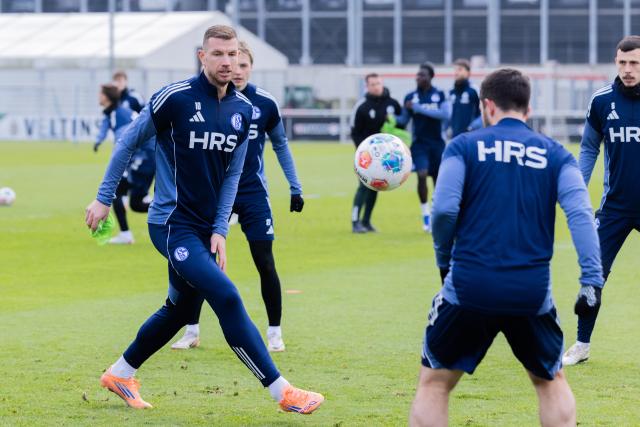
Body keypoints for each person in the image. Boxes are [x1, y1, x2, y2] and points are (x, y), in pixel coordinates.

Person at [84, 25, 323, 414]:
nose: (227, 62)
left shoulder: (244, 111)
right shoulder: (174, 99)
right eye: (218, 55)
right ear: (202, 56)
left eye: (232, 55)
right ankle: (283, 393)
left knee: (178, 310)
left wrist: (218, 229)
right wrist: (103, 198)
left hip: (202, 229)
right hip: (170, 224)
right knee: (226, 295)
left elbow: (233, 175)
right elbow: (128, 140)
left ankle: (120, 373)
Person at [409, 69, 603, 427]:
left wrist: (443, 259)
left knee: (435, 383)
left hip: (469, 286)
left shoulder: (463, 146)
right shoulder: (557, 155)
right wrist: (591, 281)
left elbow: (444, 211)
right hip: (530, 293)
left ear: (487, 106)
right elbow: (581, 214)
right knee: (550, 380)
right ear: (528, 109)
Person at [170, 41, 304, 353]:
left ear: (250, 68)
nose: (237, 70)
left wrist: (295, 186)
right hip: (216, 194)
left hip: (253, 194)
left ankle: (274, 333)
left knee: (265, 261)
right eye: (234, 63)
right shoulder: (214, 101)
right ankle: (191, 330)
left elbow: (281, 145)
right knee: (203, 262)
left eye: (243, 64)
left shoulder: (264, 104)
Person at [563, 35, 640, 366]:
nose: (627, 69)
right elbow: (590, 147)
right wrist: (578, 187)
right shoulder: (601, 101)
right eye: (622, 62)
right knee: (593, 274)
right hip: (615, 208)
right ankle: (582, 344)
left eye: (634, 62)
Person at [93, 83, 153, 244]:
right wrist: (98, 141)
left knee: (134, 202)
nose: (98, 96)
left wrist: (120, 167)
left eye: (100, 93)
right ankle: (125, 234)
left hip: (145, 157)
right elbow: (107, 128)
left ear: (106, 97)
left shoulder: (120, 115)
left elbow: (124, 143)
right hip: (144, 156)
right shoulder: (114, 112)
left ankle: (178, 209)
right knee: (127, 197)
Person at [397, 63, 451, 232]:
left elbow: (445, 114)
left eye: (422, 75)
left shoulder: (440, 95)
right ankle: (425, 214)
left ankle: (437, 216)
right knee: (421, 175)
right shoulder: (410, 97)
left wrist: (419, 109)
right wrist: (391, 119)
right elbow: (403, 121)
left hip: (437, 143)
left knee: (438, 181)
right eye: (417, 75)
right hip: (419, 144)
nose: (418, 78)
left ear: (430, 77)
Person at [349, 73, 402, 233]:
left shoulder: (393, 104)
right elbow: (354, 131)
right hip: (366, 157)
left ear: (382, 83)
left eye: (378, 83)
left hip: (386, 156)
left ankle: (366, 221)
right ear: (367, 86)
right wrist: (363, 151)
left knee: (376, 185)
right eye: (372, 84)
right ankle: (355, 221)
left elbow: (401, 124)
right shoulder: (362, 106)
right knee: (363, 186)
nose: (376, 86)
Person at [448, 58, 481, 138]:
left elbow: (482, 113)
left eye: (460, 69)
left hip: (471, 135)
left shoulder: (474, 90)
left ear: (468, 72)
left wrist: (472, 127)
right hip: (455, 136)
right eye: (455, 69)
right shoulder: (452, 92)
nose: (456, 72)